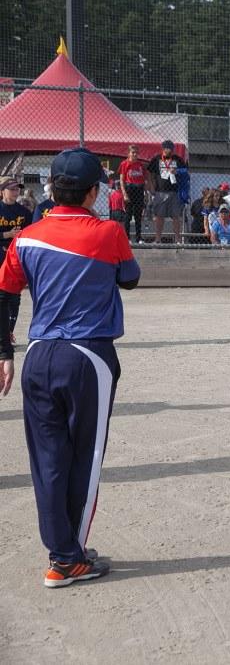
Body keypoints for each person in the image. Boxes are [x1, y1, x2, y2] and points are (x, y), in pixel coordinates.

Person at [0, 147, 140, 587]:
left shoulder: (26, 236)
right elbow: (130, 278)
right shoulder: (108, 232)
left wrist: (4, 352)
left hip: (38, 355)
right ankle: (67, 559)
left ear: (51, 189)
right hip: (88, 357)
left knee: (48, 460)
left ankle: (61, 551)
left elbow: (6, 290)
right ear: (94, 191)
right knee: (85, 457)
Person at [0, 177, 32, 339]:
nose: (15, 191)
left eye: (17, 188)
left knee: (14, 297)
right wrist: (7, 234)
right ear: (2, 191)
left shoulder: (24, 212)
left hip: (14, 258)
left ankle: (8, 332)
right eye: (11, 188)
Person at [146, 140, 187, 243]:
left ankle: (177, 239)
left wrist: (177, 171)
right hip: (160, 192)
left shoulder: (177, 159)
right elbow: (149, 173)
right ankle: (158, 238)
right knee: (159, 216)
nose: (169, 151)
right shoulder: (156, 159)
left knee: (176, 216)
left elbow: (185, 171)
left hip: (174, 191)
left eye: (171, 149)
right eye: (167, 148)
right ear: (163, 149)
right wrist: (151, 186)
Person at [118, 145, 147, 243]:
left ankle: (139, 238)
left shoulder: (140, 165)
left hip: (139, 189)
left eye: (136, 153)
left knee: (138, 215)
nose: (135, 154)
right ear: (129, 153)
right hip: (129, 189)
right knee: (128, 215)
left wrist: (145, 193)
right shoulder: (124, 164)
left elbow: (144, 180)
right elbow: (122, 180)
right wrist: (125, 194)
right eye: (133, 152)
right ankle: (127, 238)